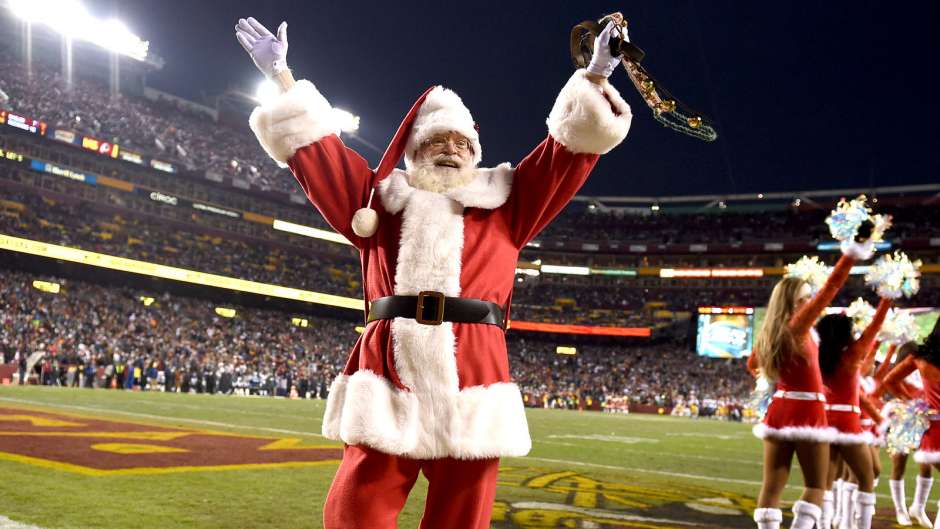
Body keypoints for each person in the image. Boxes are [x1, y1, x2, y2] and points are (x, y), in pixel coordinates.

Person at [236, 14, 633, 529]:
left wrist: (596, 75)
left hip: (475, 375)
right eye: (437, 142)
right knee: (354, 512)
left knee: (462, 517)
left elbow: (565, 152)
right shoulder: (376, 201)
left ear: (476, 154)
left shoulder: (508, 202)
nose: (451, 149)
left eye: (462, 144)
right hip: (387, 370)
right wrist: (282, 77)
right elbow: (320, 155)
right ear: (412, 153)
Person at [750, 239, 874, 529]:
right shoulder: (798, 326)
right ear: (793, 303)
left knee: (771, 486)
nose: (810, 302)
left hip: (779, 409)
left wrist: (784, 381)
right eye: (805, 298)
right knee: (817, 487)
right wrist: (851, 254)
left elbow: (752, 365)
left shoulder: (770, 333)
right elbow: (831, 287)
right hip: (807, 410)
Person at [815, 297, 890, 529]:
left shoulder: (818, 356)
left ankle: (824, 525)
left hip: (824, 421)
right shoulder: (853, 354)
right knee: (867, 479)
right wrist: (888, 297)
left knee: (825, 484)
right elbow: (875, 326)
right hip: (847, 422)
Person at [879, 330, 940, 528]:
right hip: (906, 416)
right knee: (899, 464)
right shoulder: (914, 363)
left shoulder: (928, 364)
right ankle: (900, 510)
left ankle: (918, 507)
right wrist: (910, 401)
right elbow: (890, 381)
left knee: (926, 465)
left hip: (927, 418)